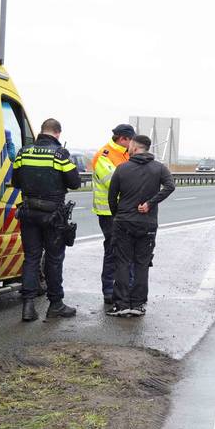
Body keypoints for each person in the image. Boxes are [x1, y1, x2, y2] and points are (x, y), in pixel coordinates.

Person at [12, 118, 81, 322]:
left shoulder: (23, 152)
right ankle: (55, 305)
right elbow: (75, 183)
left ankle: (28, 306)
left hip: (28, 212)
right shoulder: (60, 154)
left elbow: (15, 182)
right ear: (57, 133)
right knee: (53, 259)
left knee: (31, 258)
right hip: (53, 217)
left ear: (42, 131)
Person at [106, 135, 176, 317]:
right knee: (142, 264)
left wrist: (117, 215)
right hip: (148, 224)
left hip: (124, 222)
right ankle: (137, 305)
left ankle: (121, 305)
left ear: (135, 148)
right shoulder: (159, 168)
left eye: (130, 145)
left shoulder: (122, 169)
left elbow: (111, 197)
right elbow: (170, 186)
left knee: (122, 262)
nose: (128, 147)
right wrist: (150, 203)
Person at [91, 123, 136, 306]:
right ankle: (109, 291)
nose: (132, 143)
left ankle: (126, 289)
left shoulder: (127, 154)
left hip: (125, 211)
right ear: (123, 139)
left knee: (128, 252)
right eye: (131, 140)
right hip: (108, 212)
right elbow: (113, 182)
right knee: (112, 251)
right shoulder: (104, 155)